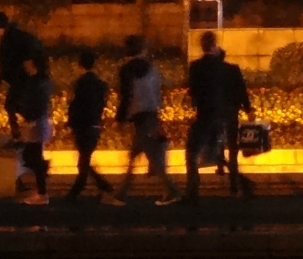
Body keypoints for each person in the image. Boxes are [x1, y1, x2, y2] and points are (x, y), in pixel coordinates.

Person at [185, 32, 255, 201]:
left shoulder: (196, 67)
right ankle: (234, 185)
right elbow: (241, 90)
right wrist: (248, 109)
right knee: (232, 150)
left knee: (193, 151)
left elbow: (194, 92)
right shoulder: (230, 69)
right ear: (216, 45)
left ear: (202, 46)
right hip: (229, 114)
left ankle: (193, 189)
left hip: (206, 115)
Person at [109, 33, 176, 205]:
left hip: (139, 117)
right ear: (143, 49)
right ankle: (120, 194)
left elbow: (126, 96)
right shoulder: (152, 69)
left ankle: (172, 191)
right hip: (151, 114)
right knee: (135, 156)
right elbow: (158, 92)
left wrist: (120, 118)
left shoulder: (126, 70)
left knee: (154, 158)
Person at [0, 10, 46, 140]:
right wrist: (2, 76)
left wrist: (29, 66)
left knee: (12, 105)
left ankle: (27, 126)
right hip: (18, 77)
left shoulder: (12, 37)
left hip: (22, 77)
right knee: (11, 105)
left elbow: (16, 56)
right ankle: (20, 132)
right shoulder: (11, 35)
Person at [65, 48, 115, 202]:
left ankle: (76, 191)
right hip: (94, 124)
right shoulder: (100, 84)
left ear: (80, 65)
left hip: (83, 126)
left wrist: (70, 122)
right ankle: (102, 185)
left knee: (83, 161)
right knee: (85, 159)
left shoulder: (80, 84)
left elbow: (77, 105)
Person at [11, 53, 54, 206]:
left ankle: (42, 193)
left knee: (32, 156)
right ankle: (42, 189)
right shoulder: (41, 81)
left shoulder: (38, 83)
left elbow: (38, 104)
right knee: (33, 155)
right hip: (37, 122)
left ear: (35, 65)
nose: (25, 66)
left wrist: (28, 117)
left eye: (28, 63)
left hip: (36, 123)